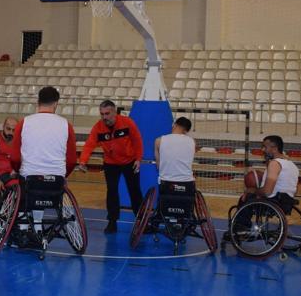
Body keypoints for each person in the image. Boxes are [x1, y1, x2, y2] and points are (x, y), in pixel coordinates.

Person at [10, 87, 77, 236]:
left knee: (26, 187)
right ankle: (38, 228)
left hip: (29, 177)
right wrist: (64, 175)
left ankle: (23, 229)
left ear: (38, 102)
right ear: (56, 103)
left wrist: (16, 169)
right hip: (56, 180)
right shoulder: (66, 125)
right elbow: (72, 160)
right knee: (42, 189)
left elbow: (14, 157)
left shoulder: (24, 122)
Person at [78, 100, 143, 234]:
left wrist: (138, 159)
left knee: (134, 191)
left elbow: (137, 140)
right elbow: (89, 144)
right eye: (102, 114)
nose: (104, 117)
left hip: (129, 162)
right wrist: (83, 161)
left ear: (114, 112)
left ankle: (141, 220)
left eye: (107, 113)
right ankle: (112, 221)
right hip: (110, 164)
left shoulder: (127, 123)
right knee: (112, 191)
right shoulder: (98, 127)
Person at [256, 135, 299, 214]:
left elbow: (267, 192)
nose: (262, 149)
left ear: (275, 149)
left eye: (265, 147)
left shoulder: (275, 163)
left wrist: (254, 190)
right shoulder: (293, 165)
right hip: (287, 203)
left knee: (246, 197)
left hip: (272, 203)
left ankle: (239, 225)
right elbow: (295, 191)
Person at [154, 117, 195, 184]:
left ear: (174, 124)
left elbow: (158, 165)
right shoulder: (192, 141)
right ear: (186, 131)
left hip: (166, 181)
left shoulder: (159, 140)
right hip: (187, 182)